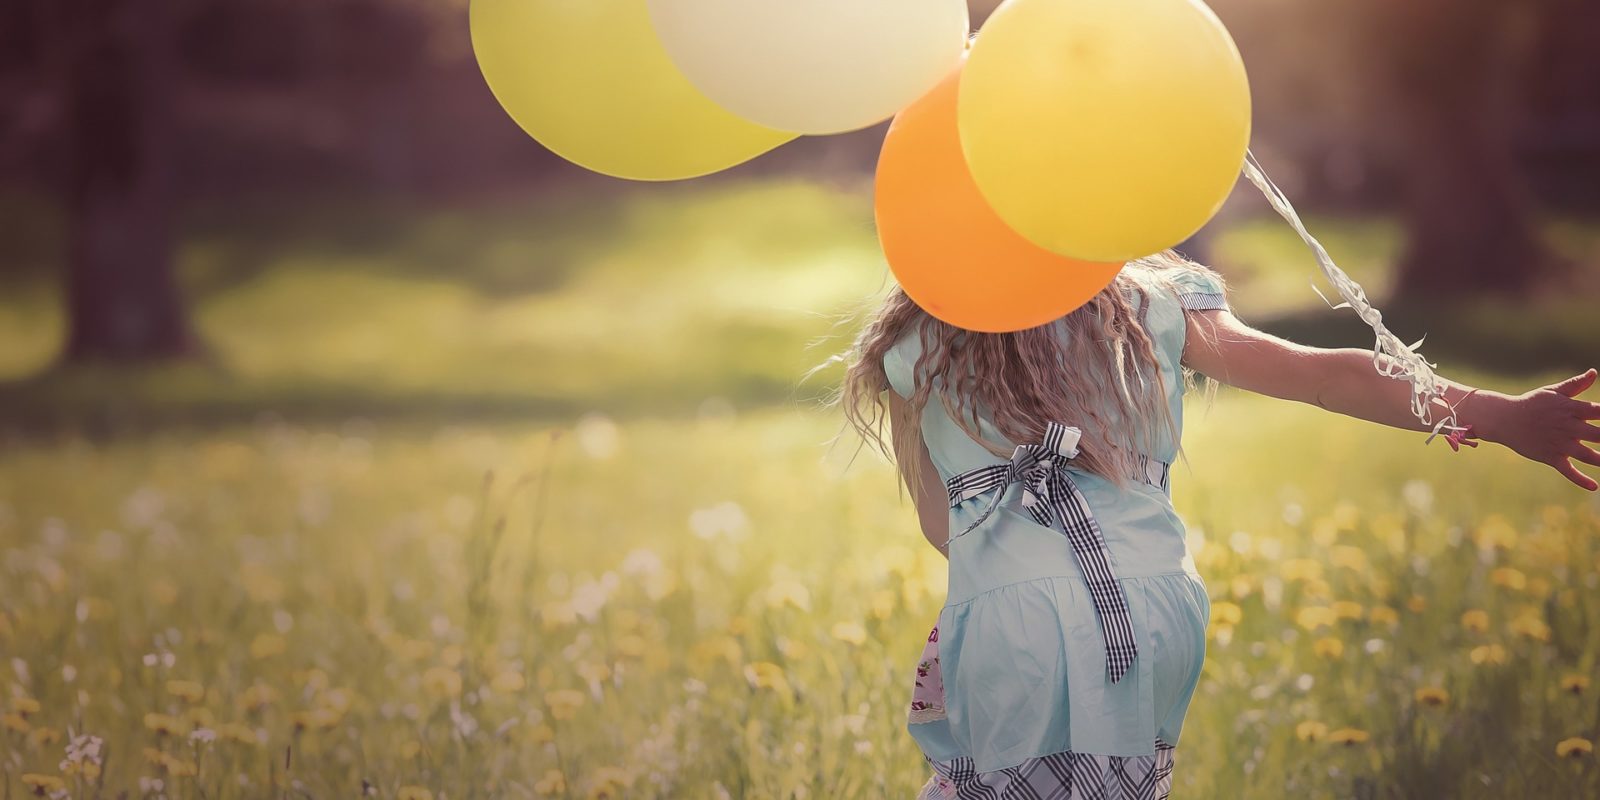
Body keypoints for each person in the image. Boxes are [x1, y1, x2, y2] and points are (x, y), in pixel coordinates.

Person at [836, 249, 1600, 799]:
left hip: (1016, 616)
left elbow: (945, 528)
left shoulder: (916, 340)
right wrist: (1500, 415)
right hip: (1153, 605)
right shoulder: (1147, 294)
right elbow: (1321, 374)